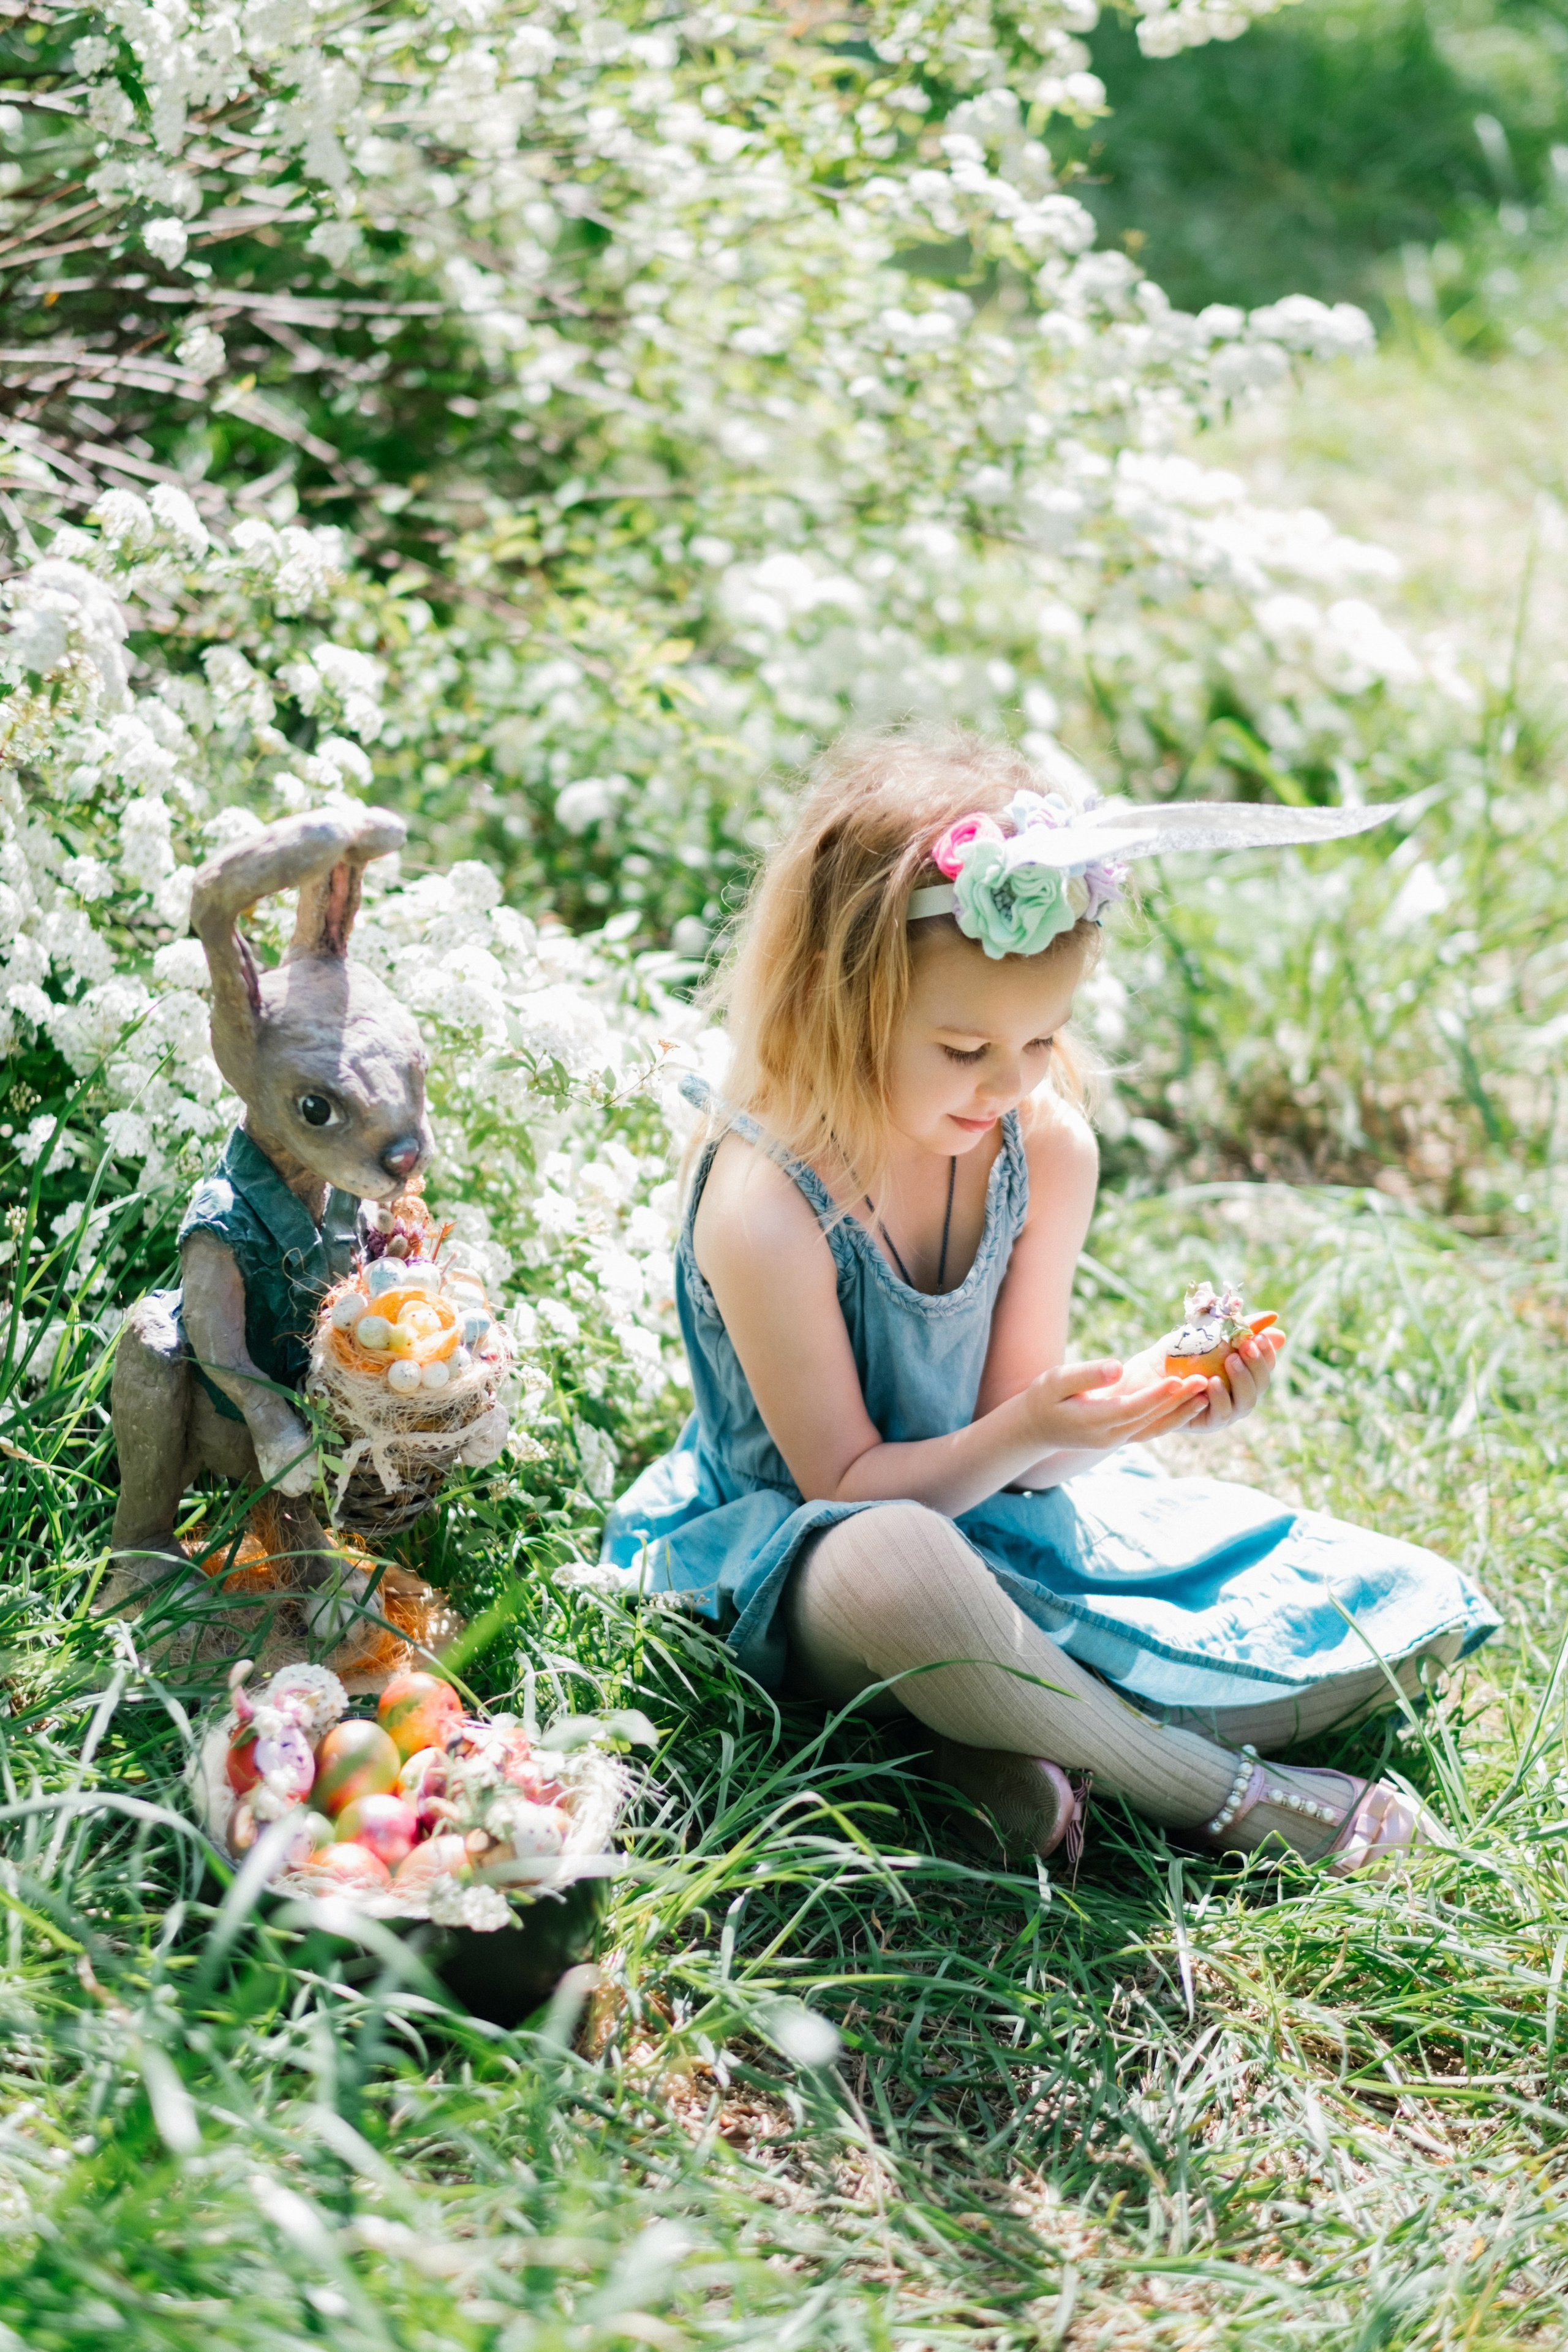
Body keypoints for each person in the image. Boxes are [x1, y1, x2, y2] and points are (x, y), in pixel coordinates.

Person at [602, 728, 1498, 1868]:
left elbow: (1026, 1442)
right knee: (903, 1566)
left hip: (997, 1522)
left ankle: (985, 1741)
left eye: (1042, 1037)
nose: (1013, 1079)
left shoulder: (1043, 1149)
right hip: (807, 1566)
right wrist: (1026, 1430)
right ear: (838, 1003)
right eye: (965, 1045)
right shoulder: (767, 1202)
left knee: (1396, 1621)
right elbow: (848, 1486)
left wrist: (1142, 1407)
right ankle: (1225, 1795)